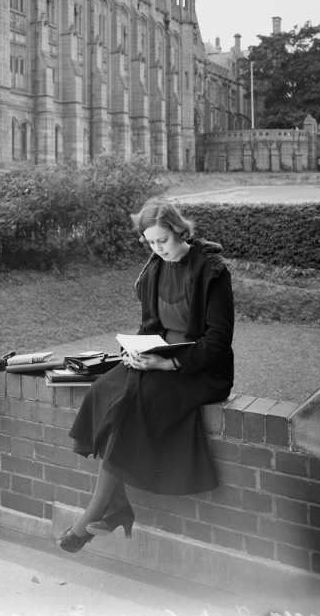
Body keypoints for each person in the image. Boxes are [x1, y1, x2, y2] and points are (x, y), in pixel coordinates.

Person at [58, 198, 235, 552]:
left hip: (199, 369)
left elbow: (218, 341)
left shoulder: (212, 271)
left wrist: (168, 364)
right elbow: (151, 325)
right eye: (151, 243)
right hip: (158, 357)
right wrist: (138, 351)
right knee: (104, 391)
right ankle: (118, 506)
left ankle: (93, 514)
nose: (157, 250)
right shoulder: (155, 267)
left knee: (137, 403)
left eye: (163, 241)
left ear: (179, 230)